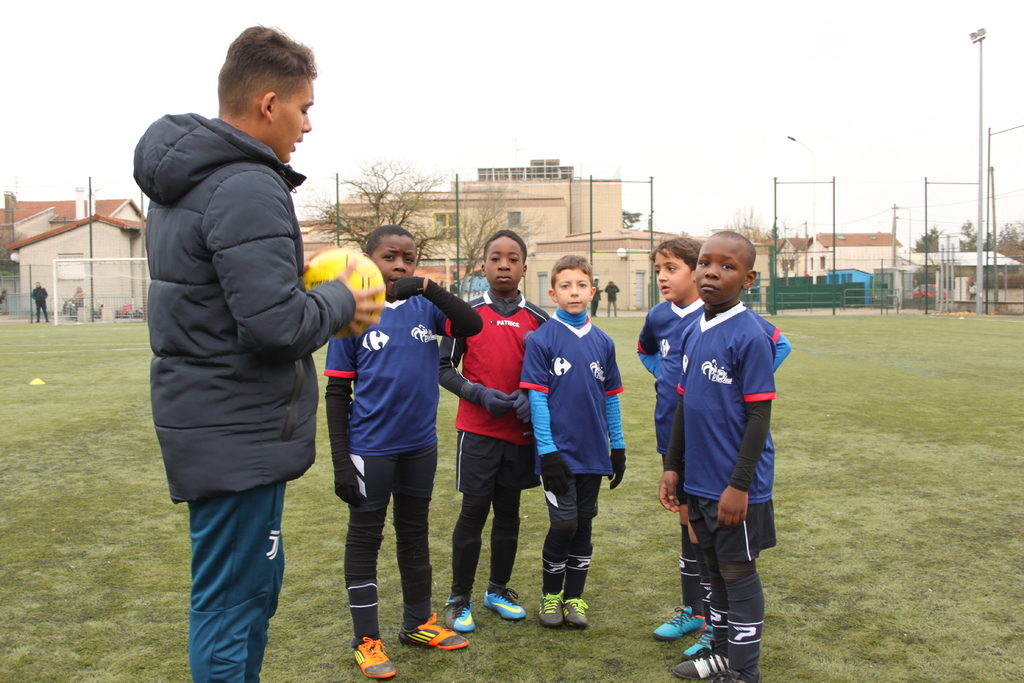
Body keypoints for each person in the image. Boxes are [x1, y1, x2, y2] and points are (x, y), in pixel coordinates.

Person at [134, 26, 383, 683]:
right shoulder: (246, 183)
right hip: (235, 433)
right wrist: (341, 298)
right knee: (233, 603)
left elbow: (231, 296)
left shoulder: (197, 178)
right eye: (304, 108)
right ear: (269, 104)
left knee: (245, 595)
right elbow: (275, 326)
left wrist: (289, 275)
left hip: (218, 424)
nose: (308, 125)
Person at [325, 224, 483, 680]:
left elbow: (472, 325)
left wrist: (430, 288)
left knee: (414, 533)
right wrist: (341, 462)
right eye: (389, 256)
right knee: (365, 539)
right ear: (369, 261)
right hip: (370, 450)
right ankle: (366, 640)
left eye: (408, 258)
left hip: (419, 446)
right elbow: (337, 393)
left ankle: (416, 624)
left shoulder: (425, 306)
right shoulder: (353, 310)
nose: (399, 265)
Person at [638, 238, 790, 662]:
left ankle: (742, 669)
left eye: (726, 266)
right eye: (705, 263)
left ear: (748, 279)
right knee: (713, 569)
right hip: (699, 478)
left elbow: (758, 418)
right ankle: (718, 654)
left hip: (734, 484)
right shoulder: (691, 331)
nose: (711, 272)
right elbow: (683, 404)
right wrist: (673, 467)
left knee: (737, 572)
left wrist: (739, 486)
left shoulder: (751, 334)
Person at [438, 229, 549, 634]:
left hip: (520, 434)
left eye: (513, 259)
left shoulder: (539, 320)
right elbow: (443, 368)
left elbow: (551, 376)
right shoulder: (466, 315)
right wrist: (477, 393)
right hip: (478, 432)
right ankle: (458, 598)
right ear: (483, 266)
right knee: (473, 512)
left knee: (509, 514)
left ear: (524, 267)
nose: (504, 265)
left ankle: (497, 590)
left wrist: (530, 396)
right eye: (496, 258)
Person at [520, 254, 625, 629]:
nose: (574, 292)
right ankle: (551, 596)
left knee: (583, 525)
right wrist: (547, 452)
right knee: (564, 524)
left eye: (581, 285)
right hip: (558, 456)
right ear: (553, 294)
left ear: (593, 291)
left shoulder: (604, 342)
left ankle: (574, 599)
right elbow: (537, 399)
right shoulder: (542, 339)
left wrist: (618, 446)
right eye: (565, 286)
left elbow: (611, 398)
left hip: (593, 453)